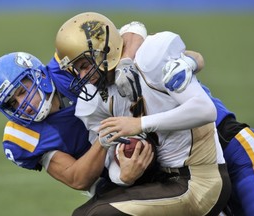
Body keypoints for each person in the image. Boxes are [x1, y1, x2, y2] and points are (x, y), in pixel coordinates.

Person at [55, 11, 231, 216]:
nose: (83, 76)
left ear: (103, 49)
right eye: (77, 70)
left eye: (84, 65)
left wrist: (141, 124)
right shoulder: (95, 100)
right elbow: (112, 154)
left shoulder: (150, 56)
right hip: (162, 180)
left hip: (200, 181)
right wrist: (123, 176)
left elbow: (205, 109)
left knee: (97, 214)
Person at [0, 22, 153, 194]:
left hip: (150, 124)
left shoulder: (65, 67)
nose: (22, 104)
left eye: (22, 91)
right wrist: (104, 139)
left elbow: (133, 29)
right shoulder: (23, 135)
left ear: (39, 75)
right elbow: (77, 179)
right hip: (111, 177)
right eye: (12, 103)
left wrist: (126, 60)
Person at [158, 55, 254, 216]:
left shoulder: (147, 61)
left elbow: (194, 58)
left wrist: (187, 61)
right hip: (198, 178)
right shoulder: (107, 103)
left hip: (233, 149)